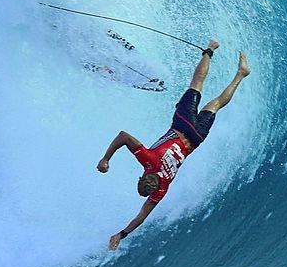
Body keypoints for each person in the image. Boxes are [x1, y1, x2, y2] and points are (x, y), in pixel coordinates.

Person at [97, 40, 250, 250]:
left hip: (196, 139)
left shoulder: (163, 188)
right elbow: (123, 136)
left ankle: (241, 74)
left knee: (215, 104)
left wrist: (122, 235)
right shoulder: (148, 160)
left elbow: (142, 217)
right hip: (182, 124)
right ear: (142, 176)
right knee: (196, 85)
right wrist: (106, 159)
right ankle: (210, 50)